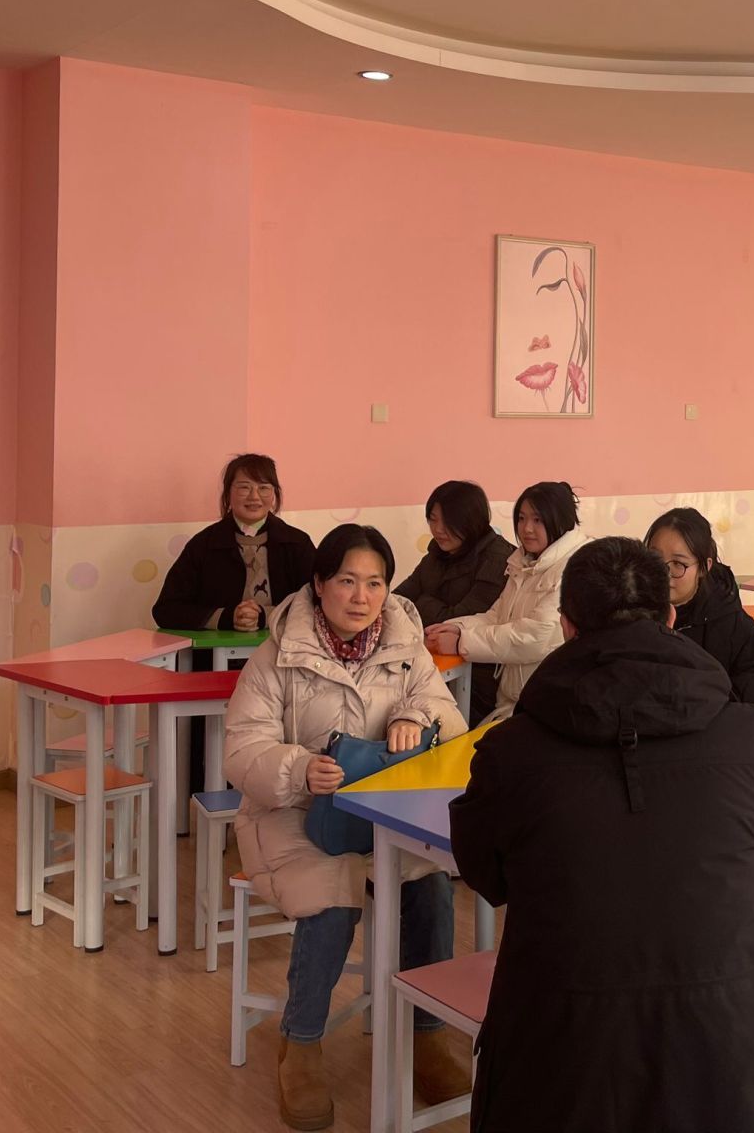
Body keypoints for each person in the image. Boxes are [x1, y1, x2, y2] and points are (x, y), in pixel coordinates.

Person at [449, 537, 754, 1133]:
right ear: (669, 617)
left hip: (558, 1067)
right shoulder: (746, 737)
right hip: (738, 1068)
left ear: (567, 626)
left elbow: (484, 871)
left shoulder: (511, 751)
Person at [222, 524, 469, 1132]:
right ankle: (301, 1043)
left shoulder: (406, 645)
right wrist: (300, 769)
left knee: (430, 887)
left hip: (383, 813)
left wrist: (416, 715)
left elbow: (449, 717)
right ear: (319, 583)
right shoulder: (277, 654)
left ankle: (427, 1034)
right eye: (347, 581)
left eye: (375, 583)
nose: (362, 597)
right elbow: (241, 751)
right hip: (292, 813)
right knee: (330, 897)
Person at [424, 480, 588, 716]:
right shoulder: (522, 562)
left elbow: (536, 637)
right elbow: (497, 615)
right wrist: (455, 628)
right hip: (513, 697)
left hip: (549, 703)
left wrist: (461, 642)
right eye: (521, 518)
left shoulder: (575, 566)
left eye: (538, 520)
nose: (526, 528)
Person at [152, 453, 316, 633]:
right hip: (217, 650)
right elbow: (166, 610)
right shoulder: (202, 545)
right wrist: (225, 618)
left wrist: (266, 616)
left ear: (274, 494)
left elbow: (318, 602)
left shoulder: (297, 543)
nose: (254, 497)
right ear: (228, 492)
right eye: (244, 487)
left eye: (263, 488)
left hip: (284, 648)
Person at [396, 480, 515, 718]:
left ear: (472, 520)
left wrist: (422, 601)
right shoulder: (438, 553)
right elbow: (398, 601)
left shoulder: (498, 559)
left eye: (448, 521)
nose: (438, 529)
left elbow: (458, 623)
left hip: (478, 678)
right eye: (433, 519)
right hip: (432, 665)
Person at [645, 508, 754, 713]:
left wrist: (706, 701)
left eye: (678, 564)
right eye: (654, 559)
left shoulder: (730, 620)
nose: (664, 574)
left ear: (704, 567)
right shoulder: (628, 614)